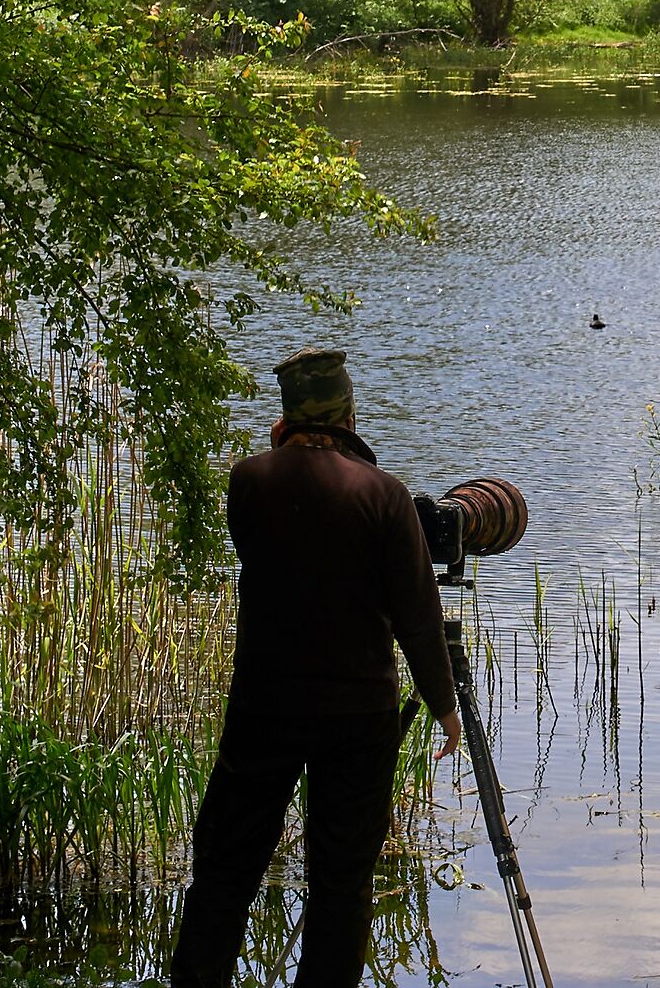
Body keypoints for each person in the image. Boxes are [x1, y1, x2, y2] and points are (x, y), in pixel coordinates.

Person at [169, 348, 461, 988]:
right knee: (341, 881)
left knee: (225, 865)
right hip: (358, 718)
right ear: (351, 413)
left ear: (285, 417)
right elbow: (416, 611)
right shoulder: (384, 496)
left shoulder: (249, 481)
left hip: (264, 708)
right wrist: (445, 707)